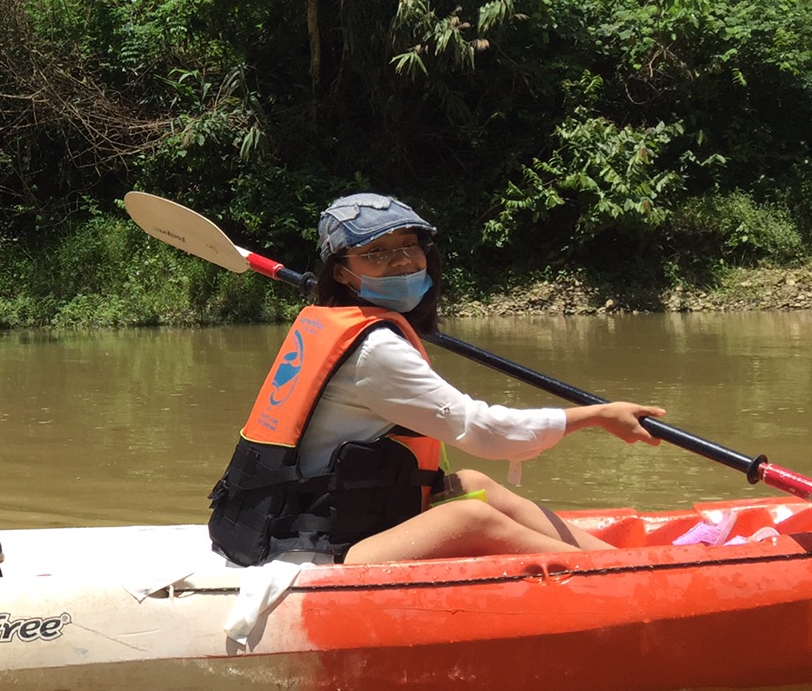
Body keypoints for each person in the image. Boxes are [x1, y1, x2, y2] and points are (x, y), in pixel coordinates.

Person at [208, 192, 665, 567]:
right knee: (467, 517)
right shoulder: (374, 350)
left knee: (464, 481)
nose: (402, 262)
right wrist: (599, 416)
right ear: (343, 272)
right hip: (307, 548)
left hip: (331, 522)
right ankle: (618, 576)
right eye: (377, 253)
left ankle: (621, 559)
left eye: (410, 246)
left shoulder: (338, 322)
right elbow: (484, 430)